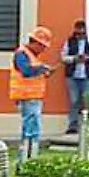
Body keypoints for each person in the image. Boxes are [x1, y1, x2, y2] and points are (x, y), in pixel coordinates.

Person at [9, 27, 55, 162]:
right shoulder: (22, 54)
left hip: (33, 98)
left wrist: (42, 71)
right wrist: (42, 68)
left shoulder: (32, 56)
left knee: (32, 131)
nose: (44, 50)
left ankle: (27, 161)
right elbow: (26, 71)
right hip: (27, 97)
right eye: (43, 46)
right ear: (35, 42)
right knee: (31, 132)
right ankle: (26, 161)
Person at [58, 21, 89, 135]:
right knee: (74, 101)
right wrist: (74, 59)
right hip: (72, 76)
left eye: (82, 33)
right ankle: (73, 125)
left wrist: (87, 59)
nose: (79, 36)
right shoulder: (69, 41)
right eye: (78, 33)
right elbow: (63, 57)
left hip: (87, 76)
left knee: (87, 101)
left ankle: (86, 126)